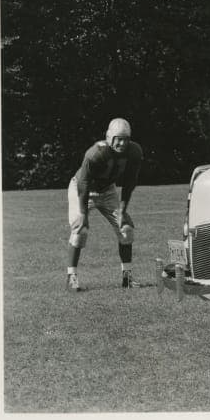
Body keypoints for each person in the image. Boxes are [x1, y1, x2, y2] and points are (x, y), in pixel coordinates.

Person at [65, 118, 144, 291]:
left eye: (126, 139)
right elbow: (83, 184)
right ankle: (71, 278)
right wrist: (83, 215)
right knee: (80, 230)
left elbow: (130, 182)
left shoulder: (134, 152)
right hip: (82, 189)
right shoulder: (96, 153)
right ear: (110, 138)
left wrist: (123, 210)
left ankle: (127, 278)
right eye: (118, 138)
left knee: (126, 229)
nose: (122, 143)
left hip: (108, 191)